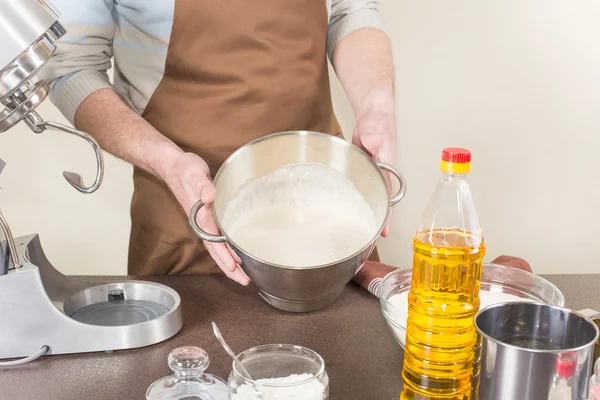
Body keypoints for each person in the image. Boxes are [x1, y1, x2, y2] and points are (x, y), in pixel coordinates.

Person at [42, 0, 397, 284]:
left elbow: (350, 12)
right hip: (185, 213)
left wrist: (376, 105)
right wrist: (165, 161)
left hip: (328, 209)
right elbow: (71, 66)